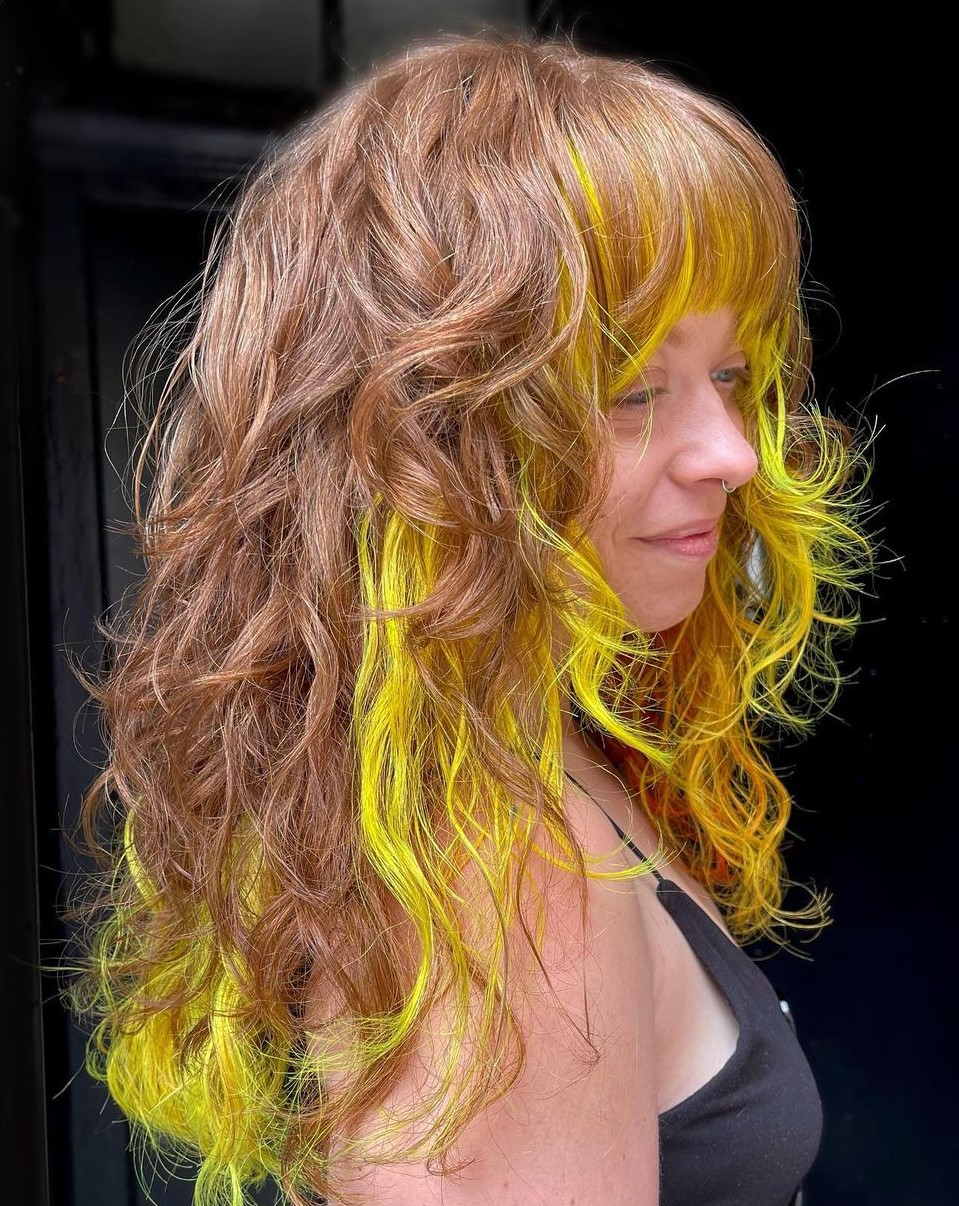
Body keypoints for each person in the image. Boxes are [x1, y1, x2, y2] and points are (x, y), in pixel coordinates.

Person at [67, 30, 875, 1206]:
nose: (732, 453)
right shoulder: (501, 866)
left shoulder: (517, 765)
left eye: (734, 378)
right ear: (425, 439)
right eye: (633, 390)